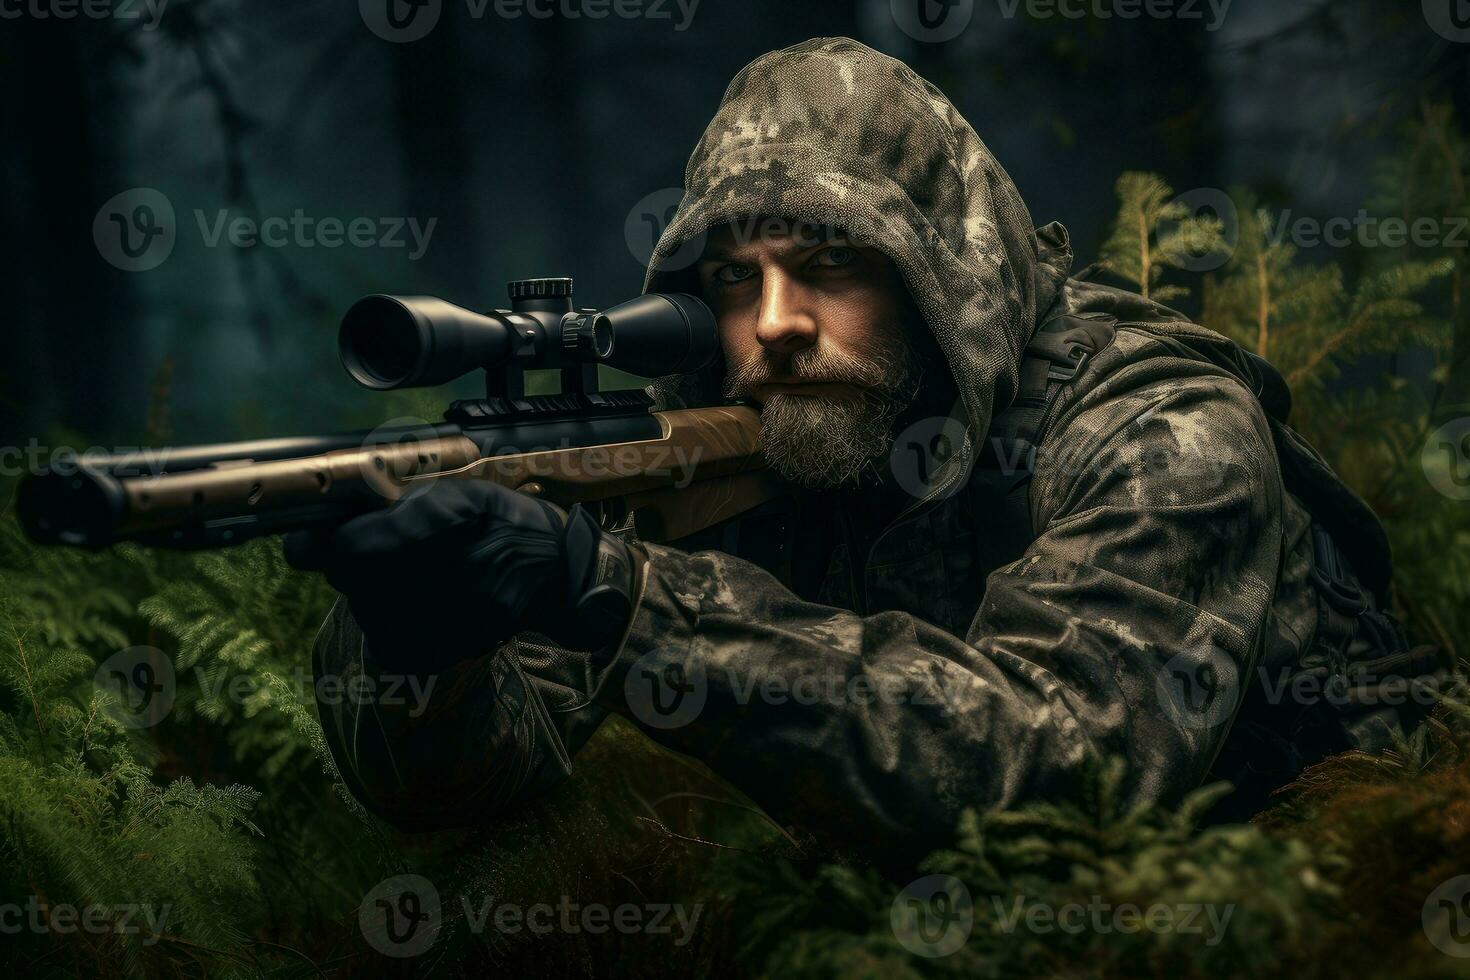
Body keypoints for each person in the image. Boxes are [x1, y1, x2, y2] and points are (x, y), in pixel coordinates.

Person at [286, 37, 1434, 871]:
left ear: (946, 280)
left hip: (1370, 876)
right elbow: (472, 781)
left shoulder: (1158, 423)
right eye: (734, 277)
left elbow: (1059, 772)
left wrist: (626, 593)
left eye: (831, 260)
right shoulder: (749, 445)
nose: (774, 320)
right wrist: (421, 650)